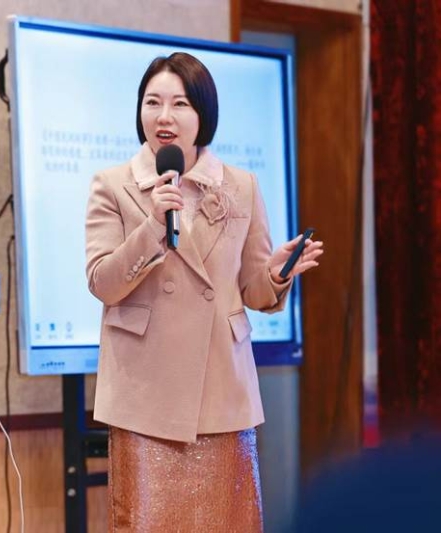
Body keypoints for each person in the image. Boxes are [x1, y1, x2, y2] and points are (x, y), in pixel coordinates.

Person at [85, 52, 323, 532]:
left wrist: (276, 274)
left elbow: (253, 290)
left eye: (180, 104)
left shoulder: (241, 186)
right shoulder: (113, 186)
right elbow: (103, 282)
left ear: (203, 114)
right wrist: (153, 226)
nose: (164, 117)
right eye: (152, 102)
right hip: (145, 396)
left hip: (222, 392)